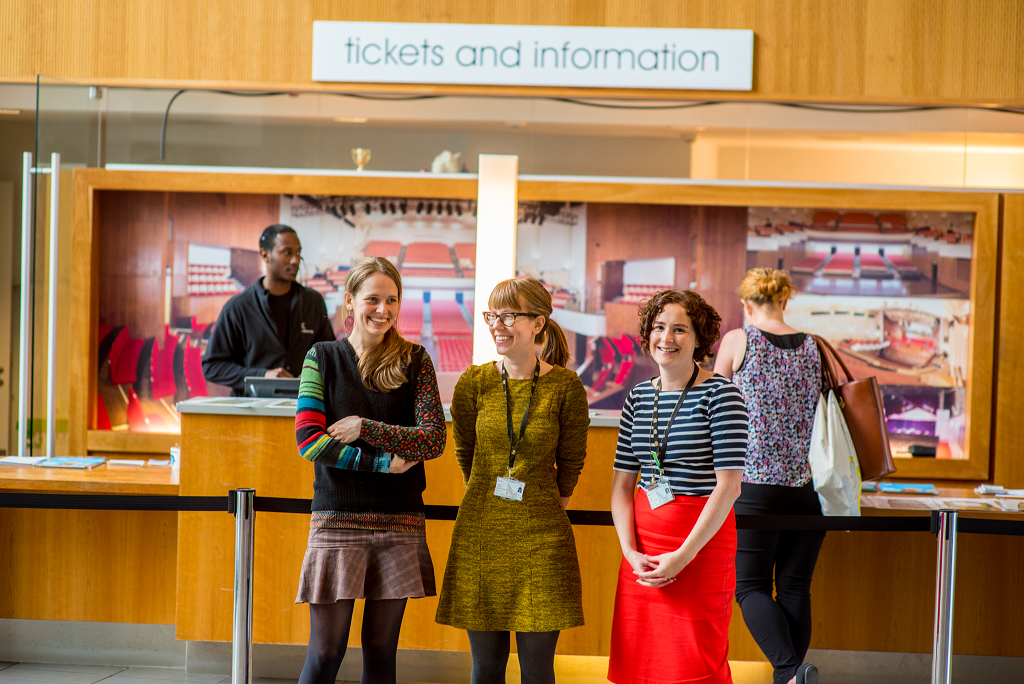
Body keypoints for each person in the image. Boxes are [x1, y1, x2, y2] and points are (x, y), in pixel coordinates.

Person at [293, 256, 447, 684]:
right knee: (326, 653)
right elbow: (309, 440)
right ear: (350, 301)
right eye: (373, 299)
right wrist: (382, 461)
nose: (383, 310)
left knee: (381, 653)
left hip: (399, 522)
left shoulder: (416, 361)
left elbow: (433, 439)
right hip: (337, 518)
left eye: (392, 300)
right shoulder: (321, 357)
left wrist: (366, 428)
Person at [435, 276, 590, 684]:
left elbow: (571, 461)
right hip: (481, 535)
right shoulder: (475, 381)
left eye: (508, 315)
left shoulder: (565, 386)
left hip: (542, 538)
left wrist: (545, 504)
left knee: (537, 669)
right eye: (492, 315)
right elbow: (466, 453)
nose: (497, 325)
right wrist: (489, 496)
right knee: (486, 668)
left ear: (538, 323)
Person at [608, 289, 748, 684]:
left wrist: (683, 556)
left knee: (692, 661)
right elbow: (621, 485)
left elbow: (729, 488)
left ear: (700, 338)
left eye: (679, 329)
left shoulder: (722, 394)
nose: (666, 338)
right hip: (642, 550)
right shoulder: (637, 396)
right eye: (658, 327)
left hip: (699, 548)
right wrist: (629, 550)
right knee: (639, 658)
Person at [713, 268, 824, 684]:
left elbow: (714, 402)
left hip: (754, 486)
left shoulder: (739, 340)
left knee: (750, 586)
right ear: (785, 301)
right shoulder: (814, 347)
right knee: (795, 587)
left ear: (745, 304)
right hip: (808, 489)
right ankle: (793, 678)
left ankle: (789, 670)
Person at [203, 224, 335, 395]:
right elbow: (212, 367)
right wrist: (263, 375)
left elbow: (329, 356)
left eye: (298, 253)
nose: (295, 260)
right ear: (265, 255)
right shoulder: (238, 307)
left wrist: (314, 373)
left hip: (304, 408)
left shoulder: (313, 301)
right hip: (254, 411)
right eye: (287, 253)